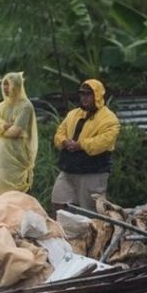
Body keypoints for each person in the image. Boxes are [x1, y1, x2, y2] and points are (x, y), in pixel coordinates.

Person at [52, 79, 120, 212]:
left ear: (97, 96)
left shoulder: (110, 119)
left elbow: (104, 141)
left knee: (91, 211)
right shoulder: (73, 114)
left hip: (92, 171)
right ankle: (65, 230)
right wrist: (64, 142)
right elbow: (59, 133)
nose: (84, 98)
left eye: (88, 94)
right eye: (82, 94)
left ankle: (94, 231)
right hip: (69, 169)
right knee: (58, 202)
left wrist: (81, 145)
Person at [0, 72, 38, 196]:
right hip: (3, 160)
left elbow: (14, 132)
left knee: (18, 195)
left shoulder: (25, 106)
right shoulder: (4, 105)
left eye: (8, 84)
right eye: (3, 84)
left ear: (16, 85)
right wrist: (4, 125)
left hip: (18, 157)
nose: (5, 88)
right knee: (2, 195)